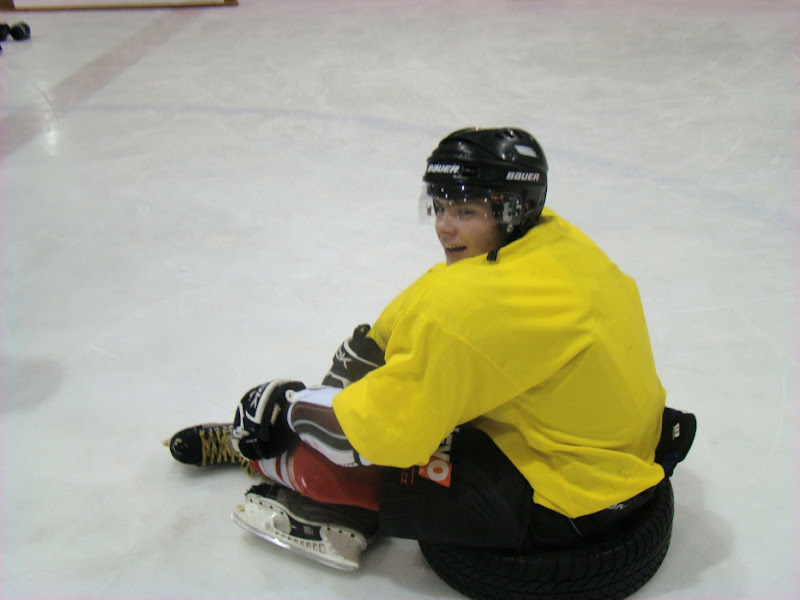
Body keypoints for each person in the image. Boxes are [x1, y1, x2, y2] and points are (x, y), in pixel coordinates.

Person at [166, 127, 694, 571]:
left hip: (569, 504)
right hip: (618, 449)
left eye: (464, 210)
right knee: (392, 398)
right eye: (438, 207)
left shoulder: (471, 308)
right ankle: (297, 433)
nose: (443, 226)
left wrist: (288, 411)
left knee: (352, 464)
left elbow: (374, 438)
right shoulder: (551, 242)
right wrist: (352, 371)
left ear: (512, 210)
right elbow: (425, 307)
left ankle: (260, 456)